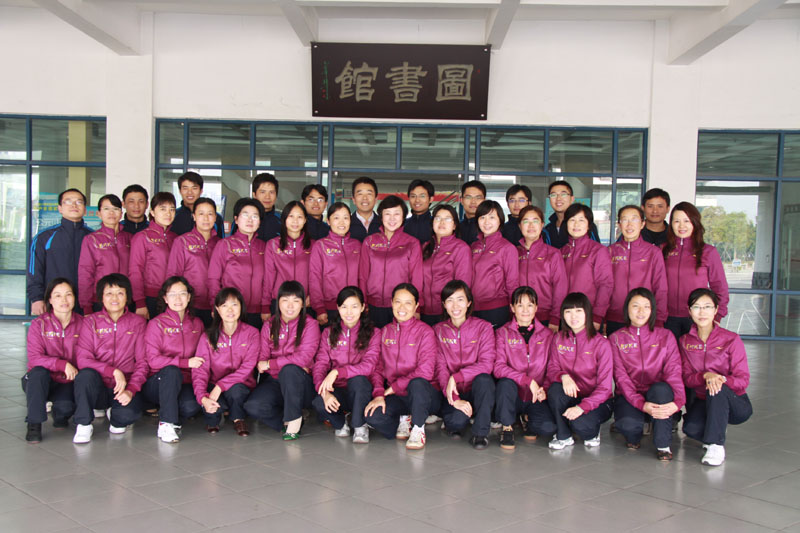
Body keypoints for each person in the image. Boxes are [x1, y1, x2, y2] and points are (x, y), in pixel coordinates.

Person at [609, 288, 685, 461]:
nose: (641, 311)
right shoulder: (616, 339)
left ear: (652, 310)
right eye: (635, 306)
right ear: (627, 309)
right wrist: (641, 404)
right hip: (629, 395)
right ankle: (639, 428)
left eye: (646, 306)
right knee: (629, 427)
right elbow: (621, 378)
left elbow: (674, 372)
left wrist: (678, 402)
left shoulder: (666, 336)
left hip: (658, 395)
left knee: (661, 390)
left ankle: (663, 444)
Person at [679, 288, 752, 466]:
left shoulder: (731, 339)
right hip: (704, 401)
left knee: (717, 388)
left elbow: (743, 379)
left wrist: (720, 379)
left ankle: (716, 446)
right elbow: (687, 377)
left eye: (707, 307)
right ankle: (716, 427)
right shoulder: (685, 341)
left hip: (735, 402)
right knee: (690, 429)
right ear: (689, 311)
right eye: (696, 307)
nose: (702, 312)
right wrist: (706, 375)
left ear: (716, 310)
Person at [72, 274, 148, 443]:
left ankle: (114, 413)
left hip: (123, 387)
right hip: (98, 384)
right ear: (101, 297)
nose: (114, 298)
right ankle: (84, 424)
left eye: (120, 293)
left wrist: (131, 389)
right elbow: (83, 359)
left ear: (127, 296)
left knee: (126, 418)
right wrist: (113, 371)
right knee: (85, 375)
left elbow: (142, 362)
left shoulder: (138, 322)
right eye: (109, 293)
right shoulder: (90, 322)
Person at [244, 281, 320, 440]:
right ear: (278, 302)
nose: (290, 306)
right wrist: (270, 365)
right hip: (276, 380)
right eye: (285, 300)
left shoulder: (310, 325)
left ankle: (294, 422)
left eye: (296, 301)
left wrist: (272, 364)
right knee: (253, 406)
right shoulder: (269, 325)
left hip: (302, 383)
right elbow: (262, 360)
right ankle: (287, 419)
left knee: (290, 370)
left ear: (303, 304)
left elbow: (303, 357)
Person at [365, 283, 437, 450]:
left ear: (416, 305)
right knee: (372, 417)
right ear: (391, 303)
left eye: (408, 303)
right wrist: (378, 393)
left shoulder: (425, 332)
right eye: (398, 302)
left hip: (422, 395)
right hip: (397, 396)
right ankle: (404, 419)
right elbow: (377, 368)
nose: (402, 308)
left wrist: (395, 386)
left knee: (417, 383)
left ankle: (418, 428)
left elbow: (426, 371)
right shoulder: (384, 332)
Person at [312, 286, 379, 444]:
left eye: (354, 306)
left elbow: (369, 365)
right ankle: (341, 423)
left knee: (359, 380)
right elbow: (320, 364)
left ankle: (360, 425)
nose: (349, 312)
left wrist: (337, 372)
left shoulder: (373, 332)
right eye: (344, 307)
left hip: (361, 391)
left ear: (362, 307)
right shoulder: (329, 333)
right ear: (337, 308)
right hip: (338, 390)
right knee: (318, 402)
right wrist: (324, 392)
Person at [433, 280, 496, 449]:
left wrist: (457, 376)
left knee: (485, 380)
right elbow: (440, 368)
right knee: (455, 424)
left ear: (469, 302)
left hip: (477, 389)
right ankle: (463, 414)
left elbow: (487, 364)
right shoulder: (438, 330)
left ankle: (480, 434)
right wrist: (454, 399)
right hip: (453, 391)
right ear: (444, 305)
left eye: (460, 299)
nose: (455, 306)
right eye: (450, 300)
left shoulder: (483, 327)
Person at [546, 292, 613, 450]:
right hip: (571, 395)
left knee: (582, 426)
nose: (573, 316)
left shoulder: (601, 344)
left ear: (587, 313)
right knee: (555, 390)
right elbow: (552, 368)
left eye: (578, 311)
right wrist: (563, 376)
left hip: (597, 401)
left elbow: (605, 388)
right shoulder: (558, 338)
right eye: (568, 311)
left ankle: (591, 430)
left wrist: (582, 407)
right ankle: (563, 435)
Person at [141, 277, 204, 443]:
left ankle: (171, 410)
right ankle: (166, 423)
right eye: (172, 294)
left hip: (184, 382)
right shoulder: (156, 324)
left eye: (182, 293)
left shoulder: (197, 324)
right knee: (171, 371)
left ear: (189, 297)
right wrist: (185, 362)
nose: (178, 298)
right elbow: (153, 360)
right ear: (165, 298)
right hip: (158, 382)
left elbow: (202, 357)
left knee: (190, 407)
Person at [494, 286, 557, 450]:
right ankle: (507, 427)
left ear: (536, 308)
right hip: (513, 394)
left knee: (547, 428)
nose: (525, 310)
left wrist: (545, 389)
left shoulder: (548, 335)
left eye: (530, 305)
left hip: (536, 396)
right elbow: (498, 367)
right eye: (520, 305)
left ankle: (527, 418)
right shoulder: (503, 333)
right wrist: (527, 380)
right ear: (512, 307)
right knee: (505, 383)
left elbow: (552, 367)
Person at [22, 278, 83, 443]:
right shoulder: (39, 324)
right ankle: (34, 423)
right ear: (49, 299)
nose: (64, 300)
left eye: (68, 294)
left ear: (74, 297)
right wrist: (61, 364)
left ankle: (59, 413)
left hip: (68, 380)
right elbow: (34, 358)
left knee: (64, 410)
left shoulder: (84, 324)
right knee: (38, 373)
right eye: (57, 295)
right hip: (42, 379)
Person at [193, 287, 259, 435]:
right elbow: (200, 370)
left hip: (240, 385)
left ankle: (238, 419)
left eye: (234, 304)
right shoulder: (208, 336)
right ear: (217, 309)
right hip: (213, 384)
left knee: (236, 391)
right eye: (224, 305)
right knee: (213, 406)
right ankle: (216, 415)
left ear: (241, 307)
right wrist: (202, 397)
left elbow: (247, 367)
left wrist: (220, 386)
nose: (230, 310)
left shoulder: (252, 333)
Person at [662, 201, 729, 340]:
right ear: (671, 224)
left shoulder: (708, 252)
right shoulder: (662, 250)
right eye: (676, 221)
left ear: (695, 222)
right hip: (667, 319)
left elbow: (720, 287)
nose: (681, 226)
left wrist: (717, 316)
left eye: (686, 221)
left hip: (697, 318)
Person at [359, 195, 423, 328]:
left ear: (403, 216)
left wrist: (416, 307)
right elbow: (363, 275)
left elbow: (417, 277)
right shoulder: (369, 241)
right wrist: (363, 302)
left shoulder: (412, 243)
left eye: (397, 214)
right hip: (373, 306)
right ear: (381, 216)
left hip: (401, 306)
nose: (392, 218)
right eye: (387, 214)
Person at [27, 188, 92, 316]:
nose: (74, 205)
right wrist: (37, 298)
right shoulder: (44, 237)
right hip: (55, 303)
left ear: (85, 209)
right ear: (60, 208)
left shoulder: (93, 237)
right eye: (68, 201)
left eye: (79, 202)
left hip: (87, 305)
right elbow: (35, 271)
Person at [606, 205, 668, 336]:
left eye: (634, 219)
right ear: (619, 224)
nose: (629, 225)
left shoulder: (653, 252)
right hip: (615, 317)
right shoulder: (610, 251)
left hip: (643, 317)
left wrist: (659, 319)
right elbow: (604, 285)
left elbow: (660, 287)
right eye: (624, 220)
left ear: (642, 224)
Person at [208, 198, 267, 329]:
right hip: (231, 311)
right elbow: (213, 278)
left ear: (259, 222)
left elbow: (268, 280)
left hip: (258, 312)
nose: (250, 220)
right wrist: (215, 305)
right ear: (236, 219)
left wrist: (265, 306)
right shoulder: (224, 245)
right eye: (245, 215)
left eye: (255, 216)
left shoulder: (263, 247)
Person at [166, 197, 221, 327]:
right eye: (201, 213)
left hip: (217, 306)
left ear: (215, 217)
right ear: (194, 217)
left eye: (210, 214)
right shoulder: (182, 242)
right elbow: (173, 275)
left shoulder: (220, 243)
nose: (206, 218)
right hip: (190, 305)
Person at [561, 203, 613, 331]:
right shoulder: (561, 252)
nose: (576, 224)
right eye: (572, 220)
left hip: (588, 316)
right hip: (565, 315)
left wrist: (597, 316)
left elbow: (605, 284)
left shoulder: (598, 250)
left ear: (589, 225)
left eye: (581, 220)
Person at [308, 202, 361, 327]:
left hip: (354, 307)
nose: (342, 222)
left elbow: (362, 277)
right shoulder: (320, 245)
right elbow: (315, 277)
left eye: (345, 218)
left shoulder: (357, 245)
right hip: (329, 308)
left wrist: (363, 303)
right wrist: (319, 308)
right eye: (336, 218)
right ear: (328, 221)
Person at [78, 194, 131, 315]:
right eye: (106, 209)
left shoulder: (129, 238)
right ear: (99, 213)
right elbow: (85, 273)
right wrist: (86, 305)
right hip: (100, 299)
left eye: (116, 209)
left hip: (125, 298)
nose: (111, 213)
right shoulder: (91, 240)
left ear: (121, 213)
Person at [420, 204, 472, 326]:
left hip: (448, 311)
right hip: (424, 311)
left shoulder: (461, 248)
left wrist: (454, 309)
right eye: (438, 218)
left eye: (447, 219)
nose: (442, 222)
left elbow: (463, 284)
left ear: (454, 225)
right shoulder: (425, 247)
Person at [516, 205, 567, 331]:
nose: (531, 226)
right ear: (520, 226)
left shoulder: (553, 254)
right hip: (518, 317)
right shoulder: (513, 253)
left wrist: (555, 318)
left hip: (546, 319)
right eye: (526, 221)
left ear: (542, 225)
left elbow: (560, 288)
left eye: (535, 221)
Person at [129, 192, 177, 319]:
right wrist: (140, 303)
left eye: (172, 209)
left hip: (172, 298)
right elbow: (135, 270)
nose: (168, 213)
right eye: (163, 209)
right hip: (149, 298)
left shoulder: (175, 238)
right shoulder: (142, 237)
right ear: (152, 212)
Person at [471, 200, 519, 328]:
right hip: (473, 309)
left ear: (500, 220)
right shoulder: (474, 246)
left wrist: (514, 312)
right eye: (482, 217)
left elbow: (512, 283)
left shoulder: (507, 248)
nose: (486, 222)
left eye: (492, 217)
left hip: (496, 309)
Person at [263, 201, 312, 320]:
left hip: (305, 302)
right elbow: (268, 276)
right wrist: (265, 305)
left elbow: (316, 275)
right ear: (284, 219)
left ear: (305, 220)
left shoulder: (314, 245)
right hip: (279, 301)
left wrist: (312, 296)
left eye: (299, 217)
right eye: (291, 216)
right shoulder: (273, 245)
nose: (295, 221)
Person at [543, 181, 600, 249]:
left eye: (563, 194)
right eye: (553, 195)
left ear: (572, 199)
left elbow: (596, 250)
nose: (558, 198)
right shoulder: (548, 229)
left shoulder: (584, 226)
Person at [171, 171, 225, 237]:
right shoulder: (172, 216)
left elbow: (221, 241)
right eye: (185, 188)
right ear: (180, 191)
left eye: (194, 188)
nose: (190, 192)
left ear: (201, 191)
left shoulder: (215, 217)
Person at [349, 176, 381, 242]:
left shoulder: (384, 224)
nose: (365, 198)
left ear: (376, 199)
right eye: (360, 194)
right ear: (353, 199)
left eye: (369, 194)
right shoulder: (346, 224)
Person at [253, 173, 282, 242]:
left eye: (271, 192)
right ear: (254, 195)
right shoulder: (244, 219)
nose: (267, 197)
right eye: (262, 192)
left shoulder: (283, 220)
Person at [404, 179, 434, 244]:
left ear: (431, 199)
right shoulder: (402, 225)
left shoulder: (436, 225)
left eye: (422, 196)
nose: (417, 200)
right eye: (413, 196)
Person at [458, 180, 485, 245]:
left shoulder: (490, 227)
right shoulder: (455, 228)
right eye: (468, 197)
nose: (473, 202)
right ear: (461, 200)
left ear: (484, 200)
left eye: (478, 197)